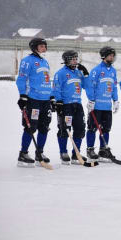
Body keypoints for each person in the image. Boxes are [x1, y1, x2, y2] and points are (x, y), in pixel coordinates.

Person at [16, 38, 53, 167]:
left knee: (44, 127)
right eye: (42, 46)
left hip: (45, 100)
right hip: (33, 100)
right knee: (31, 127)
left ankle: (39, 152)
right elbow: (21, 79)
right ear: (34, 47)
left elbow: (47, 81)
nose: (44, 48)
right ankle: (23, 153)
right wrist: (23, 95)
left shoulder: (45, 62)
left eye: (45, 46)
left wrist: (51, 96)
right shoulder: (27, 61)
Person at [52, 50, 89, 164]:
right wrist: (58, 102)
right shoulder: (61, 73)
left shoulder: (78, 73)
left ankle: (75, 154)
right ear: (66, 60)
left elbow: (87, 86)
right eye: (72, 59)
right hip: (66, 105)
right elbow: (56, 88)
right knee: (64, 129)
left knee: (80, 129)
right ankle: (63, 152)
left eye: (76, 58)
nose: (75, 61)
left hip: (77, 105)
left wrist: (86, 74)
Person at [85, 47, 119, 162]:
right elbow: (90, 86)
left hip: (107, 106)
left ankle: (103, 150)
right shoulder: (97, 70)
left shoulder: (113, 71)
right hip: (97, 106)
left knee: (106, 129)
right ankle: (90, 149)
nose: (112, 58)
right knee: (92, 128)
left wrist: (116, 100)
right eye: (110, 55)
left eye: (113, 55)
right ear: (104, 56)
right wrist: (91, 100)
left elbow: (114, 87)